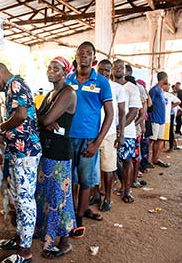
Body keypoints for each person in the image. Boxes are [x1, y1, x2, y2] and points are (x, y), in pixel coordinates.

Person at [0, 62, 41, 263]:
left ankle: (25, 253)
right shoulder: (13, 85)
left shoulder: (14, 85)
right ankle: (20, 239)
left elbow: (21, 114)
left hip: (25, 152)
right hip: (19, 152)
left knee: (25, 201)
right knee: (18, 199)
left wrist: (2, 127)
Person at [65, 41, 113, 237]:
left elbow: (109, 115)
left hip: (88, 140)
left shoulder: (101, 81)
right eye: (80, 52)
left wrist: (96, 143)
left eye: (88, 53)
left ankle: (78, 219)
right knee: (70, 180)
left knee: (85, 181)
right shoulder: (68, 80)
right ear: (75, 56)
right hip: (67, 139)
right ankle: (70, 213)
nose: (83, 55)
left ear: (93, 59)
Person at [35, 56, 77, 259]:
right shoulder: (51, 93)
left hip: (59, 153)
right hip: (47, 150)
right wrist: (42, 121)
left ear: (65, 72)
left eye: (56, 68)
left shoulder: (68, 93)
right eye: (49, 67)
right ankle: (47, 235)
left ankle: (65, 242)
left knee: (59, 198)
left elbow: (46, 118)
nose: (51, 71)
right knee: (47, 196)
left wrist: (44, 120)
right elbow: (37, 117)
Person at [93, 60, 125, 211]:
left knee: (108, 168)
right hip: (92, 133)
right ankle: (96, 195)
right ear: (97, 70)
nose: (104, 73)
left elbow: (122, 113)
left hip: (110, 133)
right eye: (101, 70)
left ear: (111, 71)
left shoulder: (117, 88)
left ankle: (107, 198)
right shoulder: (92, 85)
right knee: (93, 168)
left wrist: (121, 135)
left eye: (107, 70)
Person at [112, 59, 142, 203]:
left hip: (127, 132)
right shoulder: (108, 86)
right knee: (110, 162)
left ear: (125, 70)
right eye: (115, 67)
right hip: (108, 130)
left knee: (127, 160)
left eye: (121, 67)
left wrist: (120, 128)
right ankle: (114, 186)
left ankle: (127, 191)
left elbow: (134, 111)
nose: (118, 69)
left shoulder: (132, 88)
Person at [149, 72, 171, 168]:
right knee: (151, 140)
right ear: (164, 78)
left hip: (162, 119)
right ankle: (148, 160)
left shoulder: (161, 90)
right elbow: (149, 104)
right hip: (155, 119)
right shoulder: (154, 90)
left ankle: (156, 158)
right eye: (167, 78)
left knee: (159, 139)